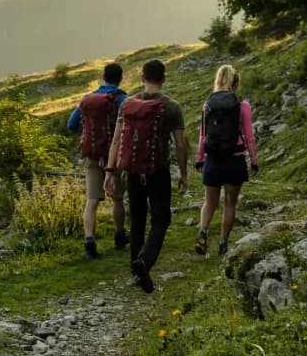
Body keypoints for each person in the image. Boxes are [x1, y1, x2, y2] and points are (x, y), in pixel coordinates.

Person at [105, 59, 188, 294]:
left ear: (142, 78)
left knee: (137, 220)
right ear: (163, 78)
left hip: (132, 171)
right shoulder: (172, 107)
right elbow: (180, 145)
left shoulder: (127, 104)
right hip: (157, 171)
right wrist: (183, 173)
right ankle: (144, 261)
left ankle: (136, 272)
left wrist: (110, 171)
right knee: (161, 220)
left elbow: (117, 140)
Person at [194, 64, 259, 258]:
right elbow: (249, 136)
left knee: (209, 201)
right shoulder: (242, 106)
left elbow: (202, 135)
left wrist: (199, 159)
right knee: (230, 204)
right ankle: (223, 245)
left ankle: (203, 231)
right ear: (235, 83)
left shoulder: (208, 104)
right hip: (235, 160)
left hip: (213, 160)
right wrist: (254, 160)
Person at [67, 62, 129, 260]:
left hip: (91, 155)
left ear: (103, 77)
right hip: (113, 156)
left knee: (92, 200)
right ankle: (120, 236)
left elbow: (71, 125)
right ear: (120, 78)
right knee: (117, 198)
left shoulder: (88, 99)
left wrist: (89, 132)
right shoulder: (122, 100)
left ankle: (89, 243)